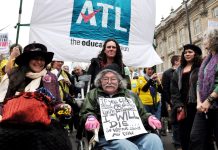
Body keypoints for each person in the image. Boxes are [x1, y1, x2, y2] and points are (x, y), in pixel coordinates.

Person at [0, 43, 72, 150]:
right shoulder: (12, 75)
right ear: (27, 60)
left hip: (41, 125)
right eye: (35, 58)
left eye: (42, 59)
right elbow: (1, 102)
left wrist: (62, 108)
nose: (39, 62)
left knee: (59, 140)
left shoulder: (50, 77)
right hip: (12, 124)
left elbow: (56, 103)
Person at [79, 67, 163, 150]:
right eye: (105, 79)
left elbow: (142, 113)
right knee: (127, 147)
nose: (109, 82)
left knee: (153, 139)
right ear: (100, 82)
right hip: (107, 136)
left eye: (113, 79)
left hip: (133, 134)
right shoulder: (93, 94)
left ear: (119, 82)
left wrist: (149, 117)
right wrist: (90, 117)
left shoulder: (130, 95)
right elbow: (86, 111)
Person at [189, 29, 218, 150]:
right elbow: (199, 83)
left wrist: (209, 100)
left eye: (205, 38)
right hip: (203, 107)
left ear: (214, 40)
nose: (203, 41)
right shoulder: (206, 59)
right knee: (196, 137)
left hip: (215, 105)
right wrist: (199, 101)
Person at [171, 44, 202, 150]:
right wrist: (178, 104)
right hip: (183, 107)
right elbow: (174, 90)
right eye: (185, 52)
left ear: (195, 54)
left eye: (190, 52)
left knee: (197, 135)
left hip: (197, 106)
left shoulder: (200, 68)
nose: (187, 54)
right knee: (184, 134)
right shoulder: (178, 70)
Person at [161, 55, 181, 148]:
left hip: (184, 100)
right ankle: (177, 142)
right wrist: (169, 102)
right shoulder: (167, 73)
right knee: (175, 121)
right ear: (176, 62)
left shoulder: (183, 70)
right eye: (180, 60)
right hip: (172, 101)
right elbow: (165, 89)